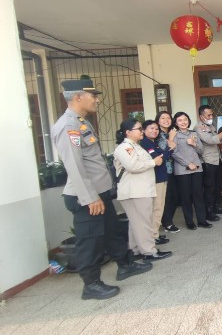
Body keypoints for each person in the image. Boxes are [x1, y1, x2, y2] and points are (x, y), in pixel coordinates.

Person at [52, 78, 150, 300]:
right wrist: (90, 198)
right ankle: (91, 285)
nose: (96, 99)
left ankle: (125, 266)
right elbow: (75, 166)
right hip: (86, 197)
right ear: (78, 97)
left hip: (100, 192)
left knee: (113, 232)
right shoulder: (68, 126)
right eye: (92, 96)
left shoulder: (82, 122)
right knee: (91, 241)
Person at [114, 120, 172, 261]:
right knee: (143, 222)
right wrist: (153, 162)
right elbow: (133, 166)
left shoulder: (136, 146)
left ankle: (135, 250)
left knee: (136, 223)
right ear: (128, 132)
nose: (141, 131)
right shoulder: (125, 148)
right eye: (139, 129)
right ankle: (149, 252)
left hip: (140, 190)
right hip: (135, 191)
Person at [196, 105, 222, 222]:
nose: (211, 116)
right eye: (208, 115)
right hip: (208, 161)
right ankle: (209, 212)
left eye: (212, 114)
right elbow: (211, 140)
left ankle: (216, 206)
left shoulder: (211, 126)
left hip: (217, 160)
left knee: (218, 185)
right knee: (209, 187)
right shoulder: (199, 127)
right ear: (201, 116)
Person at [172, 112, 210, 229]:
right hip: (183, 170)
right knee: (186, 196)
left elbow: (201, 150)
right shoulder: (174, 135)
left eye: (185, 120)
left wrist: (194, 144)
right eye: (180, 120)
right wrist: (188, 164)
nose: (183, 122)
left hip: (197, 169)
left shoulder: (194, 134)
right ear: (176, 123)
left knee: (198, 195)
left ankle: (202, 220)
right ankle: (189, 222)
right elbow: (173, 152)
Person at [139, 120, 172, 245]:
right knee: (157, 208)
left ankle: (154, 233)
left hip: (161, 178)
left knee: (159, 207)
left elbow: (163, 156)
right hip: (156, 179)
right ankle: (153, 236)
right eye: (151, 128)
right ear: (143, 130)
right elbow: (159, 159)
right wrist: (170, 149)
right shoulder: (145, 143)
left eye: (156, 129)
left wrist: (167, 151)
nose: (155, 131)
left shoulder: (153, 143)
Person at [155, 111, 180, 233]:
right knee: (167, 198)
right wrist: (171, 138)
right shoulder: (158, 135)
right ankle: (167, 223)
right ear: (158, 121)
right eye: (163, 118)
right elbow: (165, 152)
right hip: (163, 170)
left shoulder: (170, 133)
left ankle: (167, 221)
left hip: (174, 168)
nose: (166, 120)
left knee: (173, 197)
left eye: (168, 118)